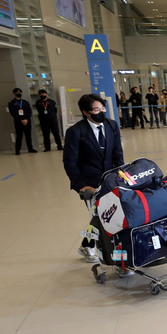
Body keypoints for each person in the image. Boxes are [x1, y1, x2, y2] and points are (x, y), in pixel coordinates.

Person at [62, 94, 124, 268]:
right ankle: (88, 246)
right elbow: (70, 162)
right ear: (86, 112)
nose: (101, 112)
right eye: (96, 110)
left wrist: (122, 175)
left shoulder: (112, 125)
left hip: (111, 179)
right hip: (89, 182)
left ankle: (87, 245)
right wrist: (82, 186)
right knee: (98, 216)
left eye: (103, 108)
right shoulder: (76, 132)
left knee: (110, 215)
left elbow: (117, 154)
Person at [9, 87, 36, 155]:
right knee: (19, 136)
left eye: (20, 92)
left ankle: (30, 148)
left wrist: (26, 119)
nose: (19, 93)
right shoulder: (12, 103)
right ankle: (17, 150)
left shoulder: (25, 102)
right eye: (17, 92)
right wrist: (21, 120)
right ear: (14, 93)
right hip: (18, 122)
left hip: (27, 121)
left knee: (28, 136)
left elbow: (29, 112)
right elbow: (13, 113)